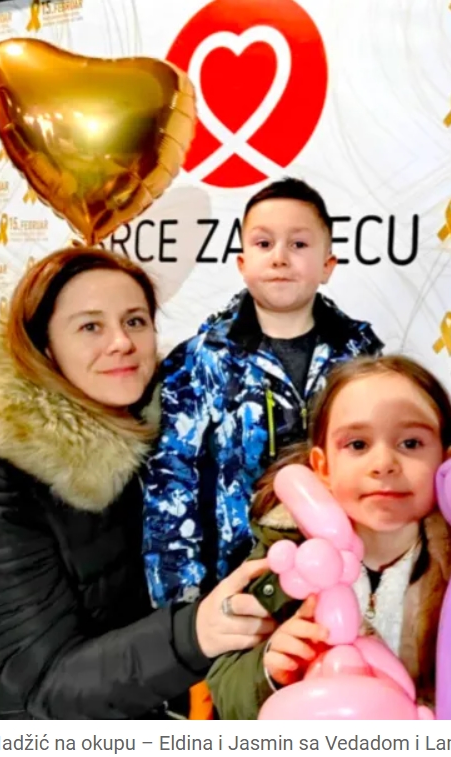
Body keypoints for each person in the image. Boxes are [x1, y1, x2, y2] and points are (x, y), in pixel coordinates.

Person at [0, 249, 276, 719]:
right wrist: (196, 632)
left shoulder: (172, 443)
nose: (121, 343)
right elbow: (50, 684)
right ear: (45, 349)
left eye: (134, 321)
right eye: (90, 326)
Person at [206, 356, 451, 719]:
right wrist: (269, 670)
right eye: (358, 444)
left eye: (411, 443)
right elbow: (224, 684)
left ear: (447, 464)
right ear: (323, 467)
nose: (383, 464)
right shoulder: (283, 556)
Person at [142, 178, 383, 608]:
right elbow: (171, 485)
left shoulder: (360, 357)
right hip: (238, 585)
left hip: (343, 580)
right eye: (264, 243)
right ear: (242, 262)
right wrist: (183, 611)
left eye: (299, 244)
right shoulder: (201, 361)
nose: (280, 257)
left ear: (328, 265)